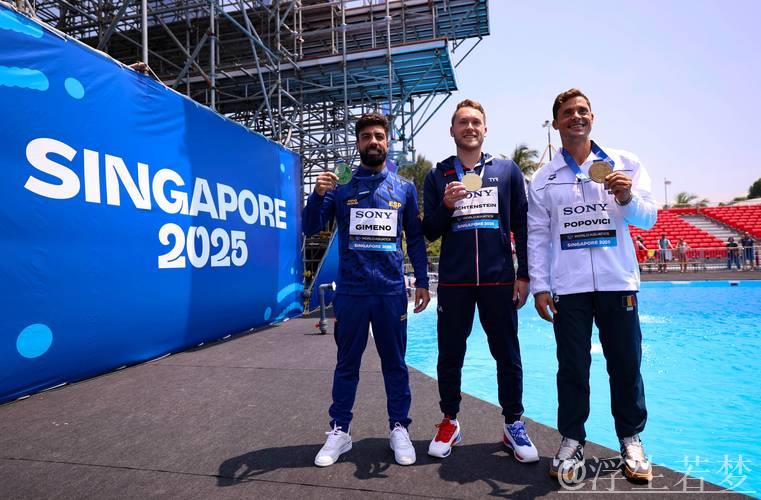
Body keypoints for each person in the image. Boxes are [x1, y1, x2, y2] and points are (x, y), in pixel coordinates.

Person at [527, 89, 657, 483]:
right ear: (556, 122)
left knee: (626, 363)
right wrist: (540, 286)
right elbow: (538, 235)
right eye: (568, 112)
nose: (576, 117)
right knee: (572, 367)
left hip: (618, 283)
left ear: (593, 117)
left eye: (582, 110)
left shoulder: (625, 163)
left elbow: (648, 218)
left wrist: (627, 196)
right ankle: (571, 440)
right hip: (570, 288)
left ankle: (631, 438)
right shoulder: (544, 178)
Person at [302, 112, 431, 467]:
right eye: (366, 137)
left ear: (387, 142)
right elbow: (310, 227)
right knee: (347, 364)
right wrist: (317, 195)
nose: (373, 141)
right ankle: (340, 430)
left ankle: (399, 428)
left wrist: (422, 280)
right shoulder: (340, 188)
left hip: (391, 292)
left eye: (378, 136)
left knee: (395, 364)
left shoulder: (404, 188)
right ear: (358, 144)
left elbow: (415, 239)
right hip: (352, 293)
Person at [422, 99, 538, 463]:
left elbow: (522, 225)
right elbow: (429, 231)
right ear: (452, 130)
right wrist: (446, 207)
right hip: (454, 283)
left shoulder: (507, 170)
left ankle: (513, 423)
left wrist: (524, 274)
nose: (469, 127)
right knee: (450, 354)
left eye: (476, 122)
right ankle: (449, 420)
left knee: (507, 354)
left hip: (498, 280)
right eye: (463, 122)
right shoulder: (438, 174)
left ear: (485, 130)